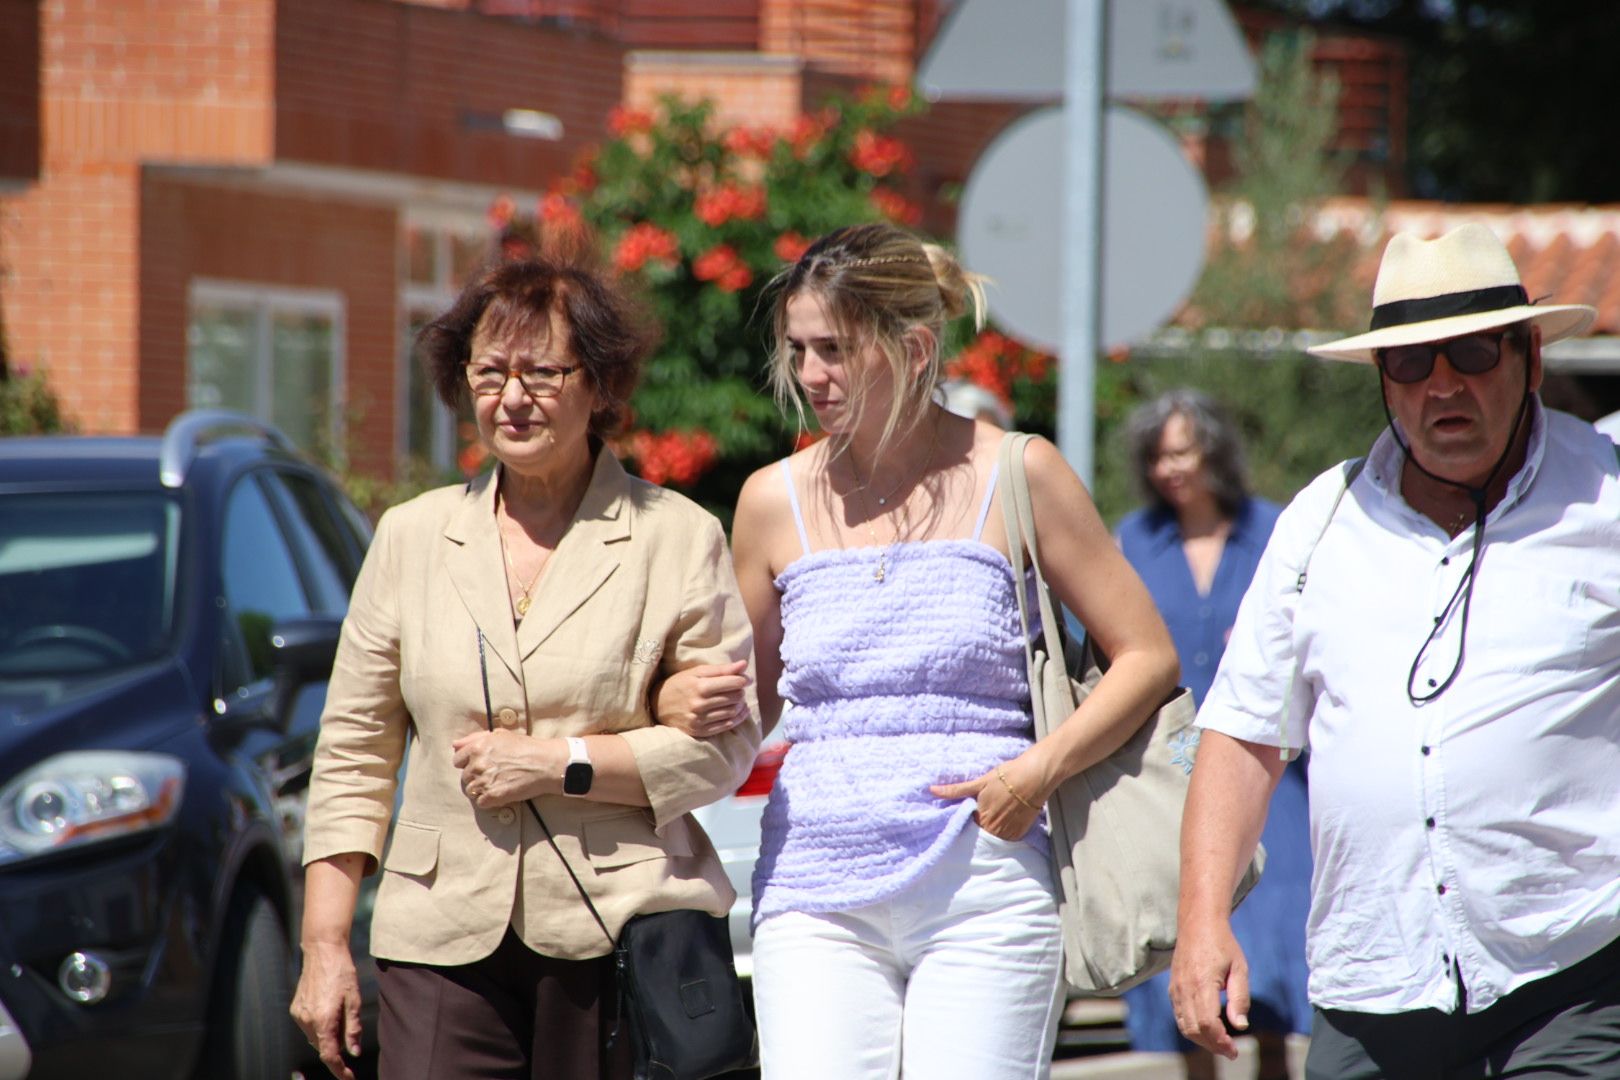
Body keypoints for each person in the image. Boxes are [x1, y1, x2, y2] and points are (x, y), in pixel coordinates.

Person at [721, 222, 1178, 1079]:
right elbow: (755, 703)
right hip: (816, 883)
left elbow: (1147, 658)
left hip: (985, 880)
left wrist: (1037, 772)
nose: (812, 376)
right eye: (799, 350)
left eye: (835, 349)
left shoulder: (1019, 472)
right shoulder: (768, 502)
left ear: (916, 344)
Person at [289, 256, 760, 1080]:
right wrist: (325, 944)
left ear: (601, 384)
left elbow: (722, 750)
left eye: (541, 372)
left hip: (618, 929)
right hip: (438, 930)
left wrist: (560, 763)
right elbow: (355, 750)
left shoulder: (676, 537)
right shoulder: (411, 536)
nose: (512, 397)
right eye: (490, 372)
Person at [1170, 223, 1620, 1079]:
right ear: (1384, 378)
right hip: (1375, 979)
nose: (1443, 385)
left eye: (1473, 353)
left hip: (1576, 970)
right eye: (1413, 363)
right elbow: (1242, 735)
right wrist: (1201, 921)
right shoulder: (1321, 520)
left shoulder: (1607, 492)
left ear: (1527, 354)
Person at [1115, 391, 1307, 1080]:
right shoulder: (1132, 541)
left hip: (1271, 779)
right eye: (1159, 455)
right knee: (1190, 957)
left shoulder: (1277, 531)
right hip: (1166, 773)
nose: (1171, 468)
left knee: (1274, 947)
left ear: (1217, 453)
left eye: (1184, 451)